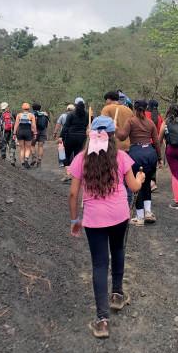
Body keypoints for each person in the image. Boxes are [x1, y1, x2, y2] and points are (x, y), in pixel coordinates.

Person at [68, 116, 146, 339]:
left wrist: (75, 220)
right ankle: (117, 295)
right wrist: (140, 178)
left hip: (94, 220)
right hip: (119, 215)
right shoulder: (121, 157)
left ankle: (102, 320)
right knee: (118, 250)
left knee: (100, 264)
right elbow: (134, 186)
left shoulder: (81, 159)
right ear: (112, 136)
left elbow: (73, 194)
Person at [116, 99, 163, 226]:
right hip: (150, 155)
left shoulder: (131, 121)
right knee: (146, 183)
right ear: (145, 108)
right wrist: (159, 158)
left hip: (136, 154)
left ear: (135, 109)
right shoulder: (150, 123)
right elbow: (156, 142)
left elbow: (122, 136)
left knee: (137, 184)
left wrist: (115, 128)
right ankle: (148, 212)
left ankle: (140, 217)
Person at [60, 98, 89, 180]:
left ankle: (68, 173)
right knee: (77, 156)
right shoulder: (87, 114)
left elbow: (66, 126)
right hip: (82, 137)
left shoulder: (71, 114)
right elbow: (88, 124)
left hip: (70, 136)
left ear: (75, 105)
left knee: (66, 155)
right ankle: (76, 175)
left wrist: (61, 136)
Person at [146, 99, 164, 192]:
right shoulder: (159, 117)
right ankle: (152, 183)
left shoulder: (144, 114)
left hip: (145, 142)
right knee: (153, 164)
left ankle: (146, 182)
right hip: (155, 143)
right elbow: (161, 131)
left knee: (145, 163)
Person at [13, 103, 37, 168]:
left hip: (20, 132)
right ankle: (26, 159)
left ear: (22, 108)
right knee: (28, 148)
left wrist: (14, 133)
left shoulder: (19, 115)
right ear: (29, 108)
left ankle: (22, 163)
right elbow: (33, 125)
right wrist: (35, 133)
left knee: (22, 149)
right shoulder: (31, 115)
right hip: (28, 132)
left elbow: (16, 125)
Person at [30, 103, 50, 168]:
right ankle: (39, 161)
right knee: (40, 146)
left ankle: (34, 157)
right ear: (40, 108)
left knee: (32, 145)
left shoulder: (32, 114)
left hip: (34, 131)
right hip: (43, 131)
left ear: (32, 108)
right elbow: (47, 124)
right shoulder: (44, 114)